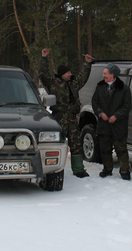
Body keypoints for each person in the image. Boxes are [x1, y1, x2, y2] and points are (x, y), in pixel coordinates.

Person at [39, 48, 93, 178]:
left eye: (70, 71)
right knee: (56, 143)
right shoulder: (53, 83)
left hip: (72, 119)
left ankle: (79, 169)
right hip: (59, 118)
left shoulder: (73, 83)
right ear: (62, 74)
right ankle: (53, 167)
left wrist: (87, 63)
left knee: (76, 144)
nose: (70, 73)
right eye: (67, 72)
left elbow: (83, 77)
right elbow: (43, 74)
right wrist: (44, 58)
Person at [92, 63, 132, 180]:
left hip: (119, 125)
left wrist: (116, 116)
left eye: (105, 73)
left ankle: (124, 170)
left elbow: (127, 106)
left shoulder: (124, 89)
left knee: (121, 149)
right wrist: (100, 113)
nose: (103, 75)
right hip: (104, 125)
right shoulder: (100, 87)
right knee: (105, 148)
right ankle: (107, 169)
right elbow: (95, 102)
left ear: (112, 75)